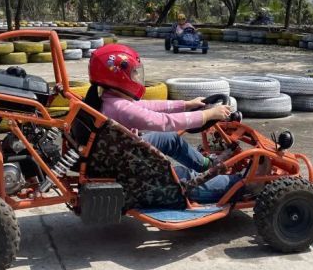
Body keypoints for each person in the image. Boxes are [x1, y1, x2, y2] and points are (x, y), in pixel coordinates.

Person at [85, 43, 241, 203]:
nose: (137, 77)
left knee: (169, 138)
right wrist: (208, 114)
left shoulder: (109, 100)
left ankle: (207, 165)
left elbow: (147, 106)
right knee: (183, 176)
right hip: (130, 172)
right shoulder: (121, 108)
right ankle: (242, 184)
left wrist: (186, 105)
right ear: (119, 76)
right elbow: (164, 122)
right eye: (134, 72)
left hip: (121, 156)